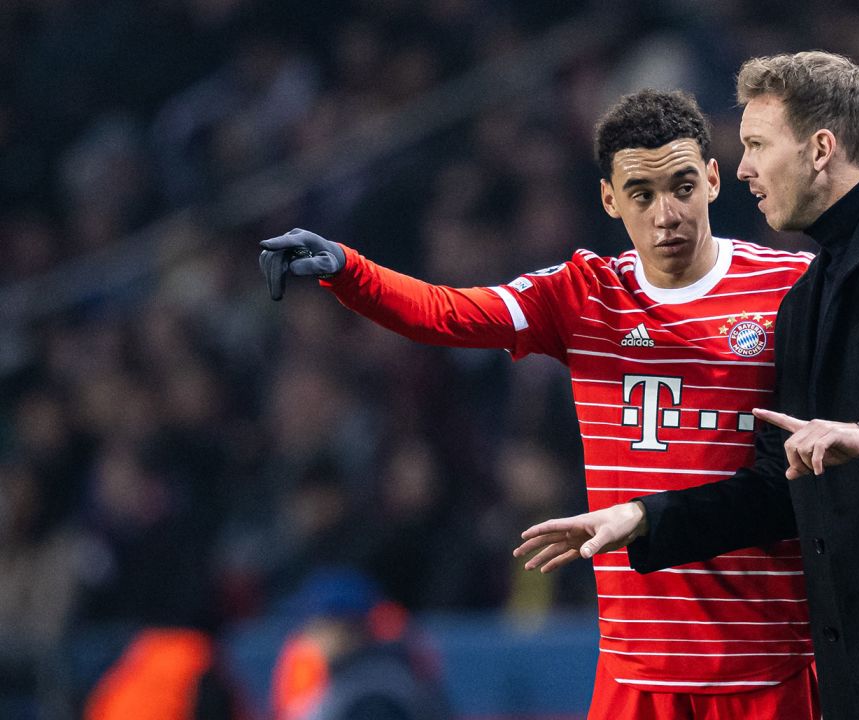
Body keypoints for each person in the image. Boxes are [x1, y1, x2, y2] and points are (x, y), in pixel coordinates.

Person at [517, 52, 859, 719]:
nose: (745, 168)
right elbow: (775, 489)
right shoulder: (803, 300)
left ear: (820, 148)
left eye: (756, 145)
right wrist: (643, 517)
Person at [259, 90, 820, 719]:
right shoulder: (583, 295)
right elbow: (449, 313)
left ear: (713, 179)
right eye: (641, 194)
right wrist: (349, 271)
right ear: (610, 199)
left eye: (682, 185)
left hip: (764, 657)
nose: (667, 214)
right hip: (636, 665)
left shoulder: (788, 287)